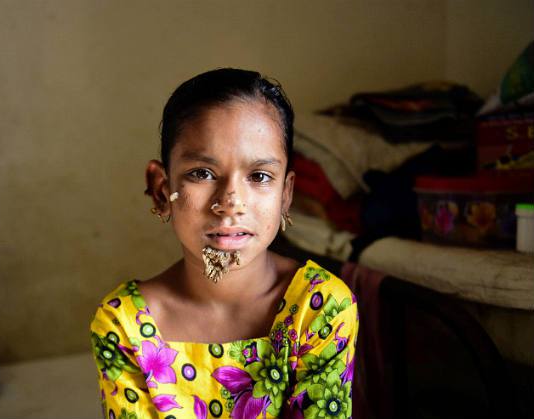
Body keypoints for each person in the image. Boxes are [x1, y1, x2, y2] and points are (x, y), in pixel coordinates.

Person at [90, 68, 358, 419]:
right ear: (161, 189)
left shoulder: (321, 308)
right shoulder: (123, 325)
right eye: (202, 173)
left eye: (259, 176)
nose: (231, 201)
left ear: (286, 195)